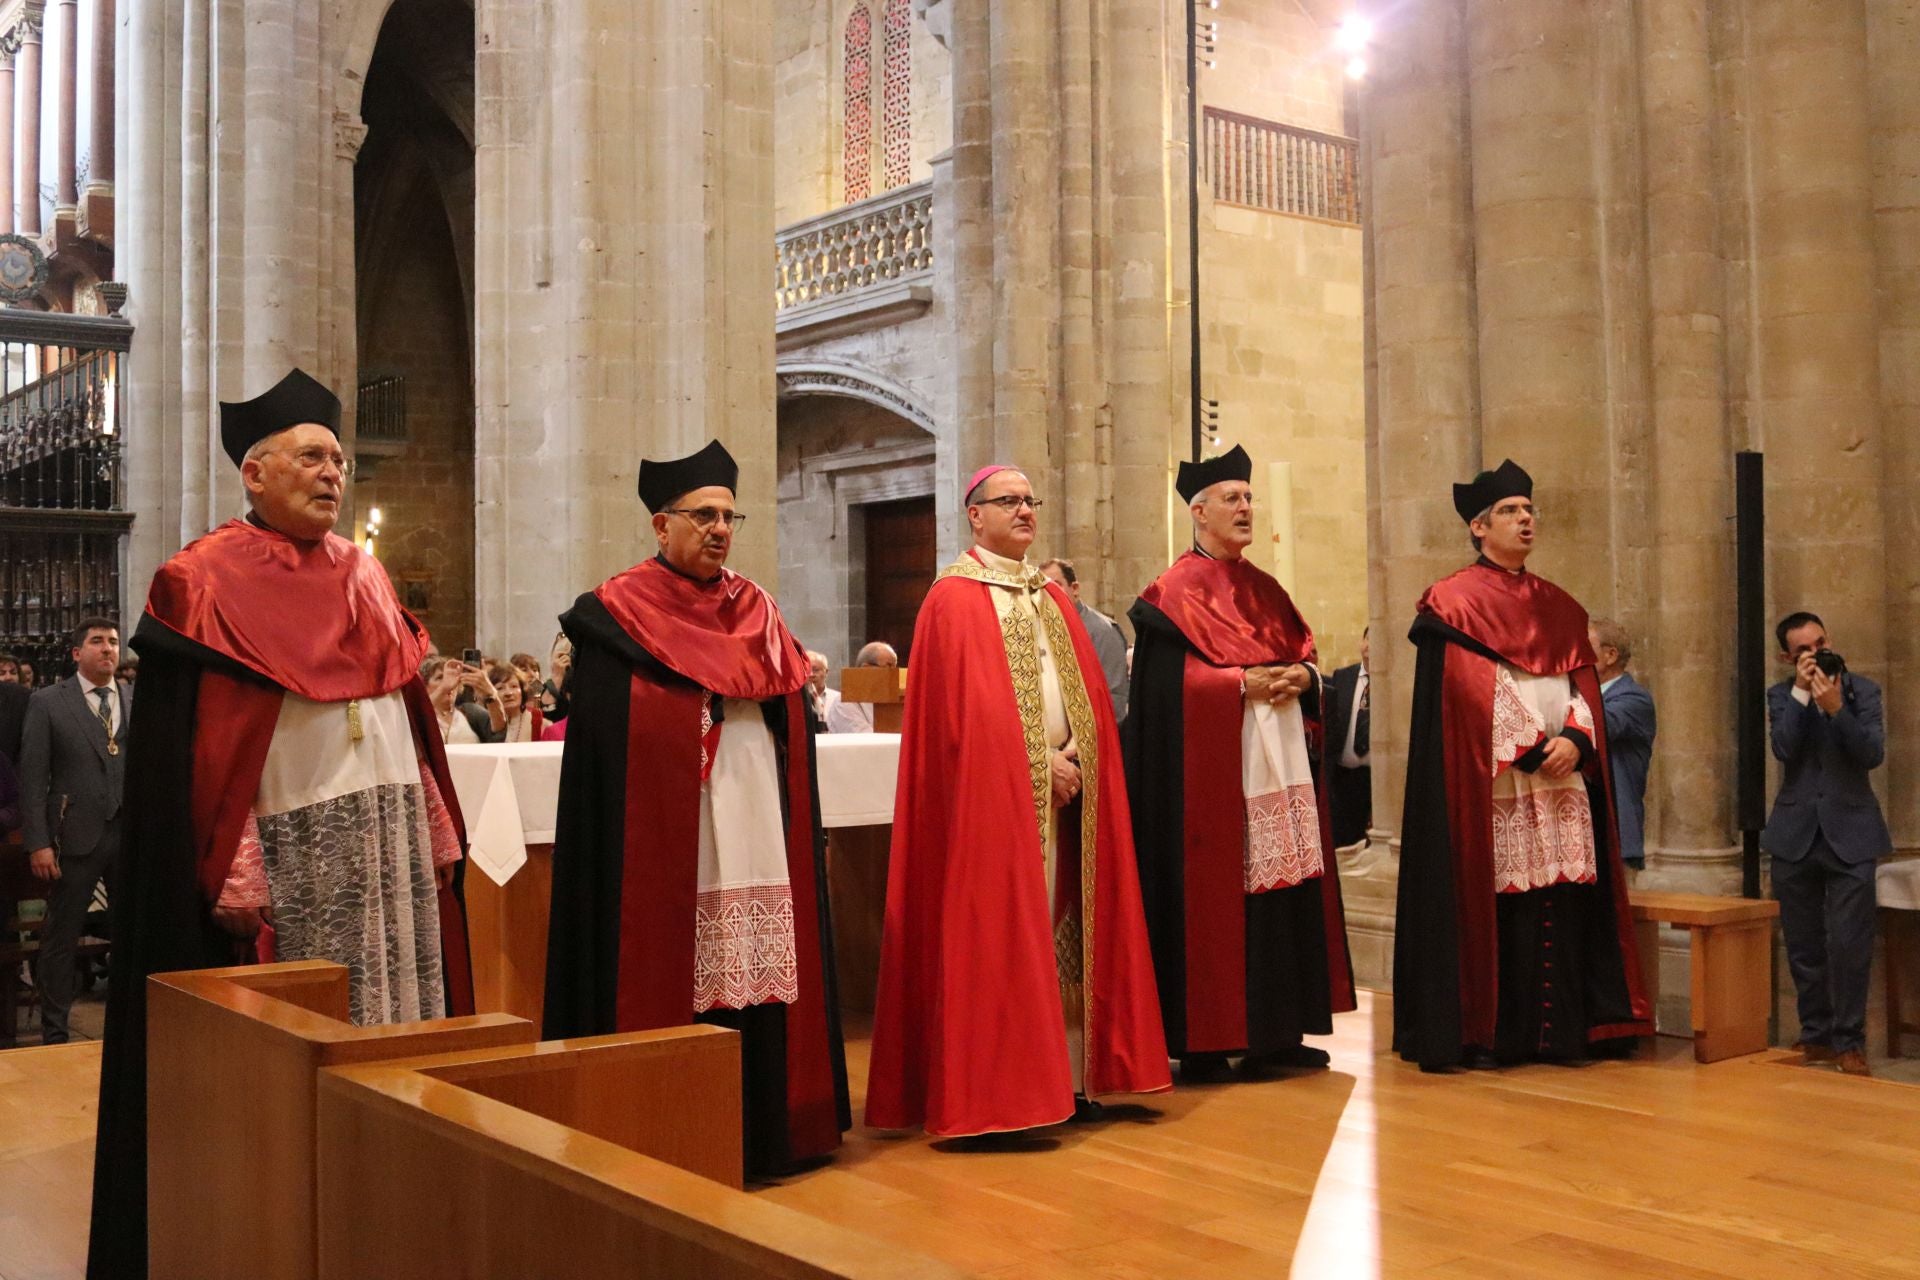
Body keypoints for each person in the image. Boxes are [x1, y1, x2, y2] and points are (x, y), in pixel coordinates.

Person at [87, 367, 475, 1280]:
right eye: (312, 456)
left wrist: (433, 822)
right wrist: (236, 865)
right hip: (288, 855)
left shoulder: (367, 575)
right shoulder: (202, 580)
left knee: (392, 1025)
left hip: (386, 844)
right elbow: (206, 752)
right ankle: (293, 1217)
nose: (333, 472)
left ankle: (392, 1208)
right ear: (254, 473)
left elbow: (403, 713)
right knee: (295, 1043)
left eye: (339, 459)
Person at [543, 439, 848, 1177]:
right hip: (673, 827)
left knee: (757, 966)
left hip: (752, 814)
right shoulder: (616, 614)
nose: (719, 529)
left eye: (728, 516)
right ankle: (668, 1121)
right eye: (703, 515)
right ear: (661, 525)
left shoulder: (757, 609)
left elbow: (787, 711)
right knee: (675, 964)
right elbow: (615, 735)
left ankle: (766, 1128)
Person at [866, 464, 1169, 1136]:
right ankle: (998, 1097)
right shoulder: (951, 601)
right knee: (1002, 936)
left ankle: (1068, 1079)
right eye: (1010, 501)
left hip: (1065, 800)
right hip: (991, 810)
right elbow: (961, 723)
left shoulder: (1050, 597)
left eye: (1031, 500)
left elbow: (1089, 695)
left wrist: (1077, 760)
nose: (1026, 511)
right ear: (975, 515)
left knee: (1064, 931)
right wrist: (1036, 766)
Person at [1393, 459, 1649, 1072]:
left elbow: (1582, 684)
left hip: (1562, 779)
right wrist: (1536, 748)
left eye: (1529, 510)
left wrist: (1580, 742)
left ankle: (1564, 1032)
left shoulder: (1559, 604)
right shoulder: (1453, 601)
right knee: (1505, 907)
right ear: (1479, 528)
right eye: (1510, 511)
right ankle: (1497, 1034)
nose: (1525, 519)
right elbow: (1472, 688)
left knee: (1562, 898)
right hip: (1501, 783)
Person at [1123, 448, 1355, 1082]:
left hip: (1282, 763)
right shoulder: (1169, 596)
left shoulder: (1266, 589)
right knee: (1221, 900)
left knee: (1283, 894)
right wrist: (1234, 688)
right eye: (1233, 498)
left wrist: (1301, 677)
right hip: (1214, 781)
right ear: (1198, 512)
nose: (1247, 507)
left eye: (1249, 497)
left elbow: (1307, 658)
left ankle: (1276, 1033)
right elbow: (1161, 697)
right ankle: (1205, 1038)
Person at [1764, 611, 1889, 1077]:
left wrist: (1837, 708)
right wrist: (1801, 695)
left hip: (1852, 836)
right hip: (1795, 836)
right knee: (1803, 944)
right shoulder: (1781, 696)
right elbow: (1783, 749)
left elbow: (1871, 754)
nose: (1815, 654)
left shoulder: (1864, 692)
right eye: (1803, 650)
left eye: (1820, 643)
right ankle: (1815, 1035)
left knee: (1851, 944)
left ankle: (1850, 1041)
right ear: (1787, 657)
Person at [17, 618, 131, 1045]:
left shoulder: (133, 698)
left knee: (129, 934)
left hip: (126, 834)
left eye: (114, 642)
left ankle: (124, 1028)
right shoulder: (49, 702)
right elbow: (32, 778)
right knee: (61, 938)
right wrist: (39, 843)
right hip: (74, 837)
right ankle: (55, 1030)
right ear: (76, 653)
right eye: (98, 642)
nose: (108, 649)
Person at [1590, 618, 1655, 872]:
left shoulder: (1633, 698)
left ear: (1610, 655)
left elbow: (1597, 725)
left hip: (1615, 836)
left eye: (1585, 648)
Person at [1041, 557, 1130, 722]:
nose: (1048, 592)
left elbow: (1114, 699)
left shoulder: (1102, 631)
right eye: (1041, 588)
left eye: (1055, 585)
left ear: (1074, 588)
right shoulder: (1041, 629)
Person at [1325, 627, 1372, 848]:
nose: (1370, 646)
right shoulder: (1342, 677)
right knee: (1345, 843)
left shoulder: (1395, 682)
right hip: (1345, 778)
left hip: (1379, 780)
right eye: (1367, 639)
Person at [826, 641, 897, 734]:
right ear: (866, 669)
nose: (895, 674)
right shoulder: (844, 701)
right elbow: (863, 738)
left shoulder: (891, 698)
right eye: (889, 667)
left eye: (895, 667)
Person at [485, 660, 543, 742]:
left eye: (514, 686)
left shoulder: (539, 723)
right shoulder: (484, 724)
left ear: (522, 690)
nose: (508, 693)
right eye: (500, 688)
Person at [805, 650, 841, 727]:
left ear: (826, 672)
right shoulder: (797, 700)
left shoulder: (838, 698)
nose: (811, 675)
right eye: (807, 670)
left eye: (816, 670)